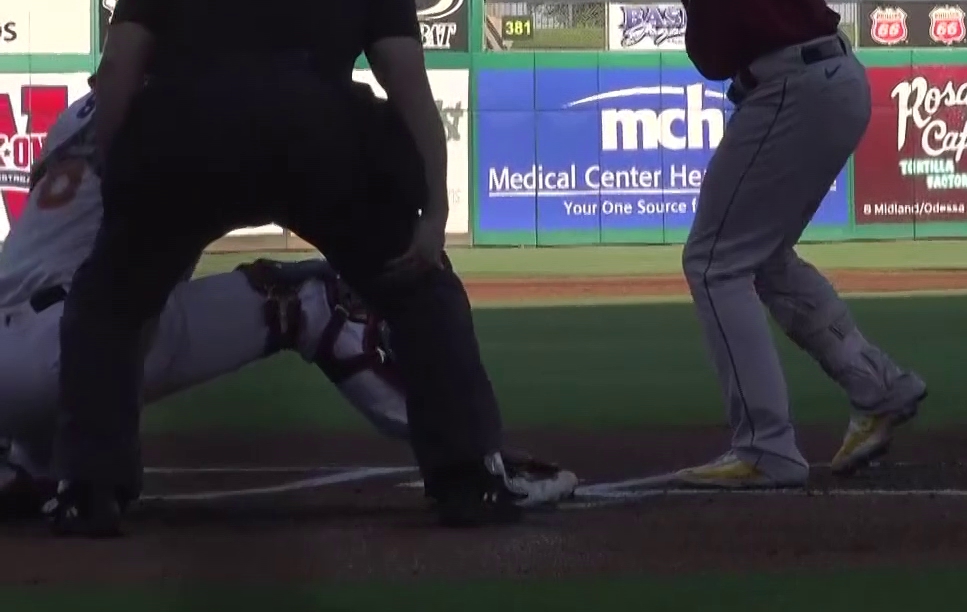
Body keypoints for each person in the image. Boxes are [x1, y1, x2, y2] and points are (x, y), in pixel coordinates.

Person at [50, 0, 518, 536]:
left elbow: (117, 77)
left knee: (106, 308)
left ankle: (92, 488)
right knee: (421, 294)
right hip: (319, 135)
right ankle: (466, 475)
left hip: (186, 138)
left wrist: (117, 175)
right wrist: (433, 211)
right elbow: (410, 93)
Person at [567, 0, 925, 488]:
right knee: (759, 261)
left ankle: (765, 447)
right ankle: (877, 387)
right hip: (803, 80)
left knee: (713, 261)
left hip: (798, 77)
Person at [0, 92, 579, 518]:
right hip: (63, 351)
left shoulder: (84, 110)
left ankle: (28, 462)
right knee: (310, 296)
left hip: (22, 344)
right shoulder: (199, 106)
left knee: (116, 294)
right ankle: (474, 458)